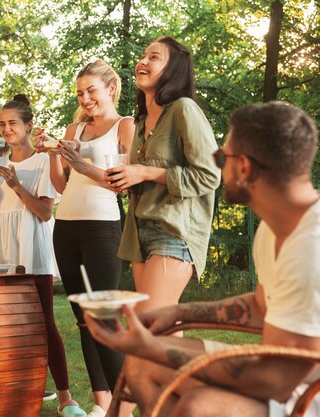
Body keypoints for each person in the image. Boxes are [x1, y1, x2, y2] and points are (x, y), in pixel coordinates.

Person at [86, 101, 320, 417]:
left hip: (303, 391)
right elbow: (263, 305)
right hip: (281, 373)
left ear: (245, 167)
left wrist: (148, 344)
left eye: (221, 158)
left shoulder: (310, 245)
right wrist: (177, 313)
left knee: (200, 406)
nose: (218, 167)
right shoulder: (274, 231)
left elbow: (275, 379)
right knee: (143, 365)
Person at [0, 95, 87, 417]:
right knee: (5, 324)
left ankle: (66, 398)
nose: (6, 129)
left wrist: (18, 186)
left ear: (28, 126)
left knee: (44, 322)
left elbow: (45, 212)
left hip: (31, 246)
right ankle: (14, 392)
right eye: (2, 124)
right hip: (0, 247)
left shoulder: (43, 161)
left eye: (13, 124)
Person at [34, 59, 135, 417]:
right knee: (82, 319)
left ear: (110, 88)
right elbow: (61, 185)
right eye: (80, 92)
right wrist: (52, 155)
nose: (86, 98)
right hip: (67, 226)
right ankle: (103, 403)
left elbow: (121, 182)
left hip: (102, 226)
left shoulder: (125, 126)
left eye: (92, 90)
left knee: (103, 317)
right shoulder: (73, 128)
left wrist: (79, 163)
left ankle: (126, 402)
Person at [106, 36, 220, 315]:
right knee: (157, 329)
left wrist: (144, 171)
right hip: (138, 233)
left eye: (154, 57)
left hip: (174, 230)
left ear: (173, 70)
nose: (142, 61)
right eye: (142, 56)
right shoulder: (141, 121)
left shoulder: (184, 109)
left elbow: (210, 175)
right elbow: (143, 177)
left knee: (149, 323)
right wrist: (126, 180)